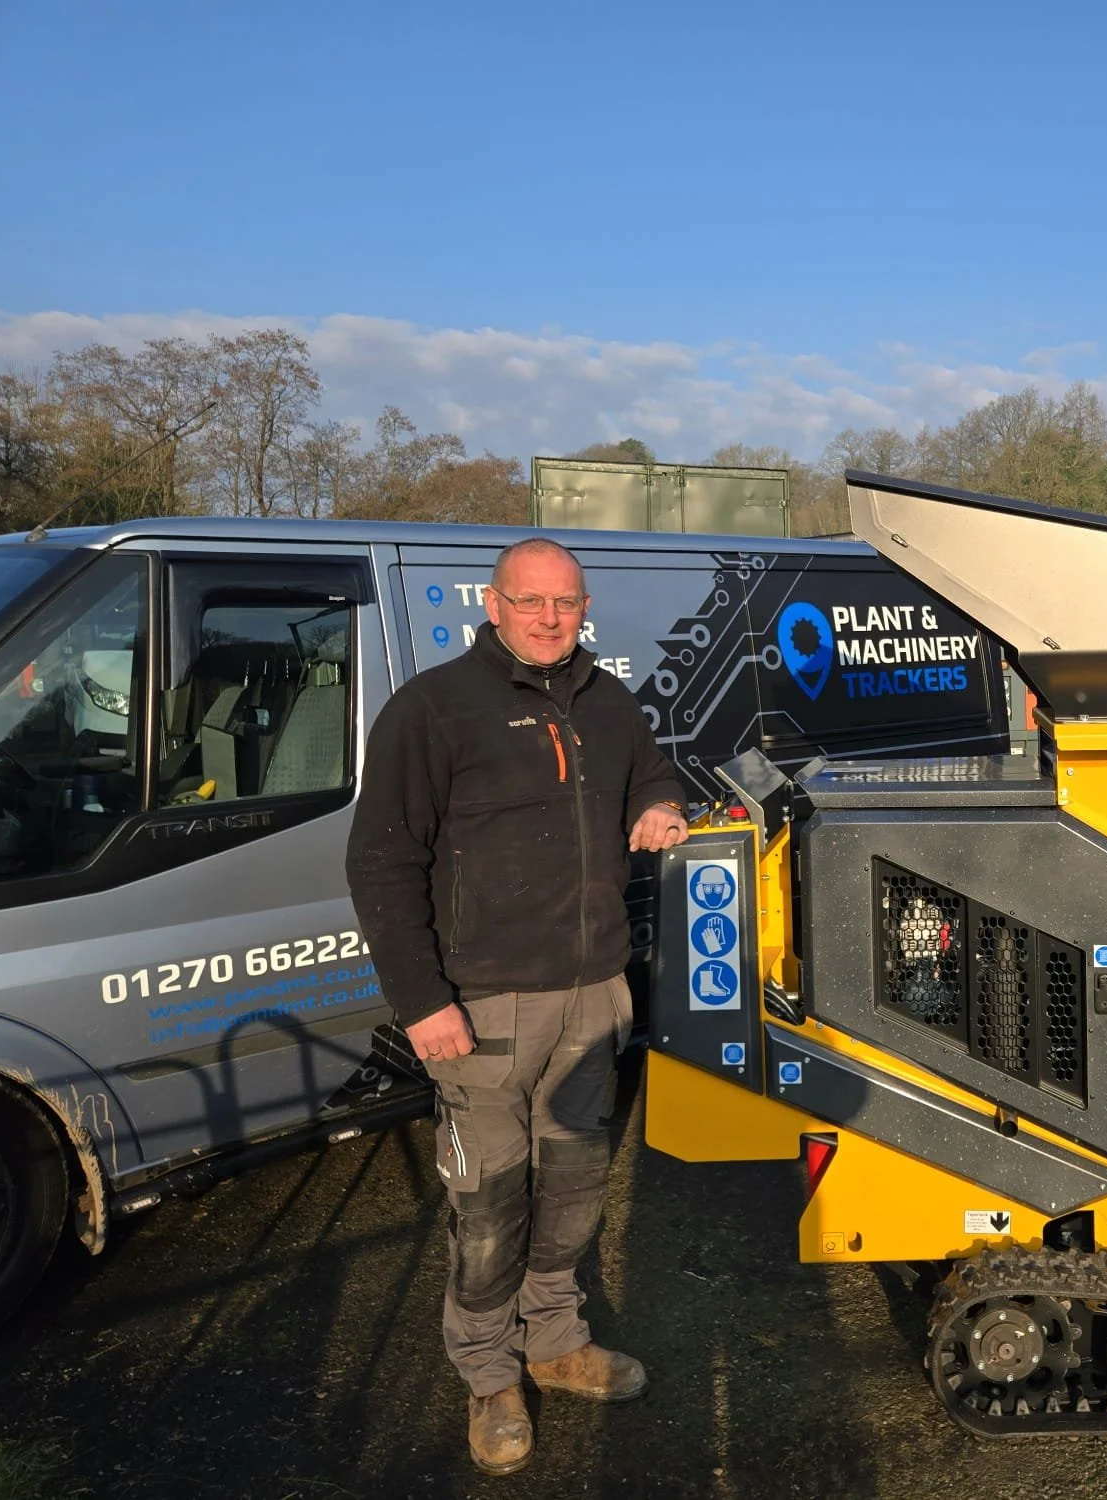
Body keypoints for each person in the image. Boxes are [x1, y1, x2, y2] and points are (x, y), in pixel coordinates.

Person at [346, 536, 689, 1475]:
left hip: (593, 995)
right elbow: (380, 863)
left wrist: (660, 805)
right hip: (483, 1008)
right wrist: (422, 1004)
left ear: (585, 612)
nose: (548, 619)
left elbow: (650, 773)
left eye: (566, 604)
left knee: (575, 1189)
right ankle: (491, 1375)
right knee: (491, 1203)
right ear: (492, 606)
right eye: (530, 602)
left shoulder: (608, 701)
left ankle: (556, 1342)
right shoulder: (434, 709)